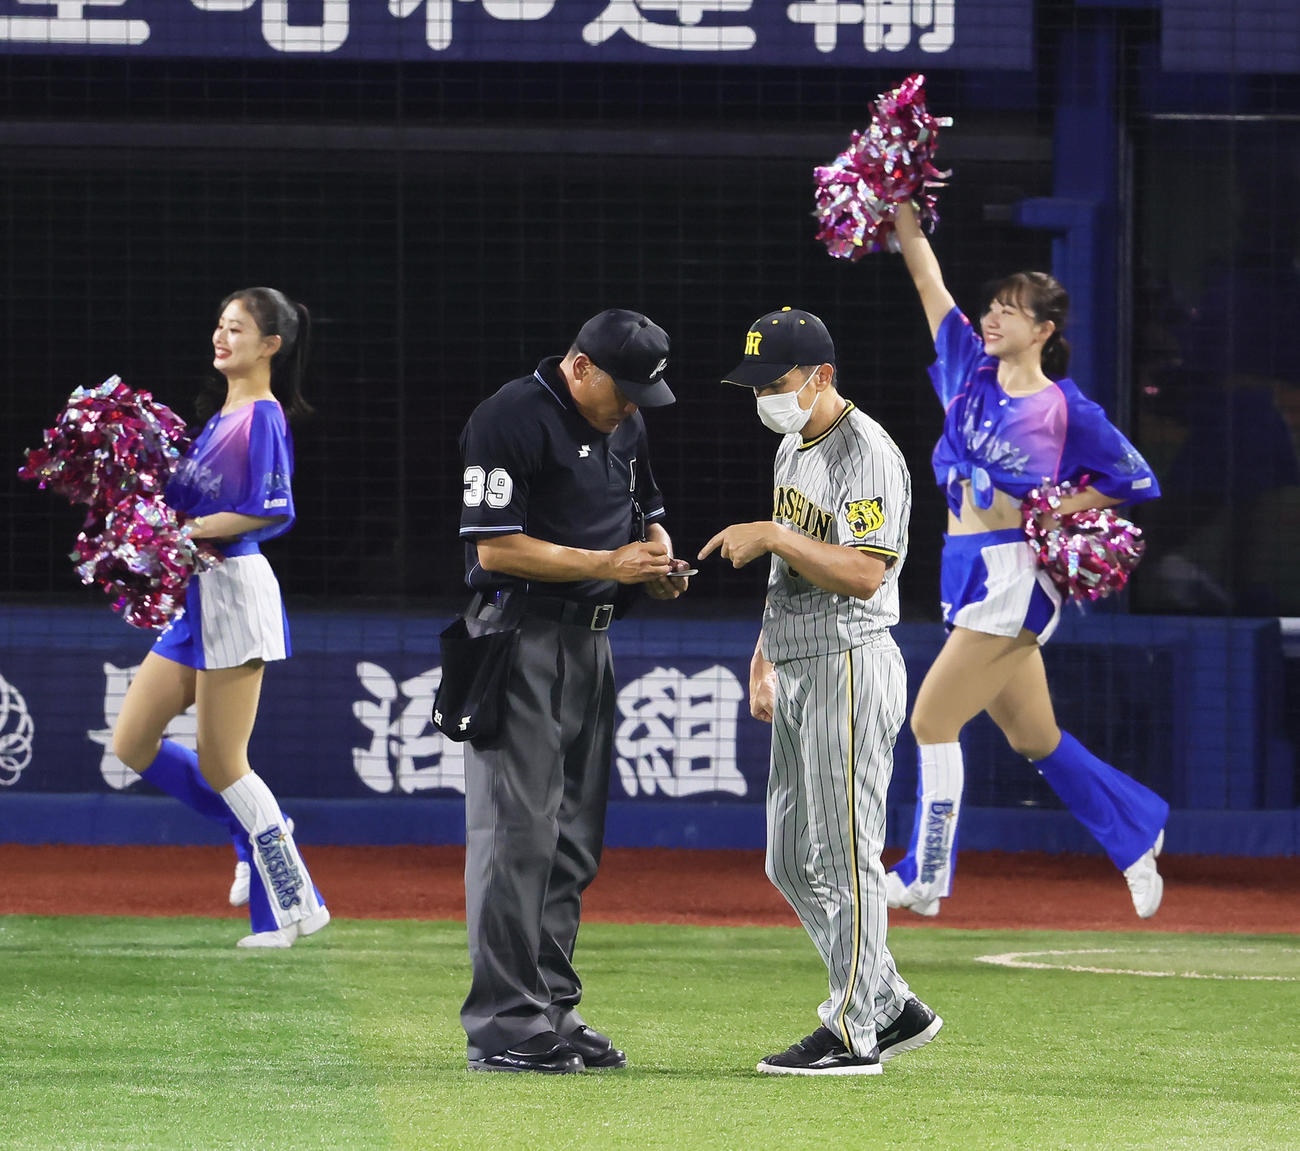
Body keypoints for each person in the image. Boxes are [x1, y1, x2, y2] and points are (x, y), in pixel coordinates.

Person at [886, 201, 1169, 920]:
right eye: (992, 308)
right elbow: (927, 282)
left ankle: (925, 873)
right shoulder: (965, 371)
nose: (992, 318)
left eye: (1010, 312)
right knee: (1035, 737)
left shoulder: (1066, 409)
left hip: (1014, 577)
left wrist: (1065, 507)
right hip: (965, 569)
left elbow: (1136, 479)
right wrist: (906, 220)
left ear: (1043, 331)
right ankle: (1138, 834)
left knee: (930, 720)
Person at [699, 306, 941, 1076]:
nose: (766, 395)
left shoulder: (864, 452)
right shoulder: (792, 447)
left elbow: (867, 572)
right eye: (758, 383)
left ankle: (851, 1032)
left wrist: (771, 533)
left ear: (821, 376)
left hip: (850, 663)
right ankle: (890, 1002)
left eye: (778, 381)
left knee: (844, 853)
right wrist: (763, 653)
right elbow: (791, 569)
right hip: (801, 664)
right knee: (789, 861)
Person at [455, 308, 691, 1074]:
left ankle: (551, 1005)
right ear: (579, 364)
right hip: (518, 637)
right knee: (515, 835)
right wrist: (607, 560)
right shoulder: (509, 417)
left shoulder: (625, 420)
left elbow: (647, 515)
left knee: (571, 841)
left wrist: (660, 560)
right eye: (622, 390)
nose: (630, 408)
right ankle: (503, 1020)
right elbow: (494, 544)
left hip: (592, 640)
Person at [112, 287, 329, 949]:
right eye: (218, 324)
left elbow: (274, 509)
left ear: (271, 344)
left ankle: (294, 909)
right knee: (132, 742)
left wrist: (189, 530)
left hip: (234, 588)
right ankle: (253, 830)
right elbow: (182, 504)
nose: (220, 336)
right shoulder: (222, 415)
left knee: (224, 760)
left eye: (236, 328)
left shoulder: (261, 414)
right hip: (198, 594)